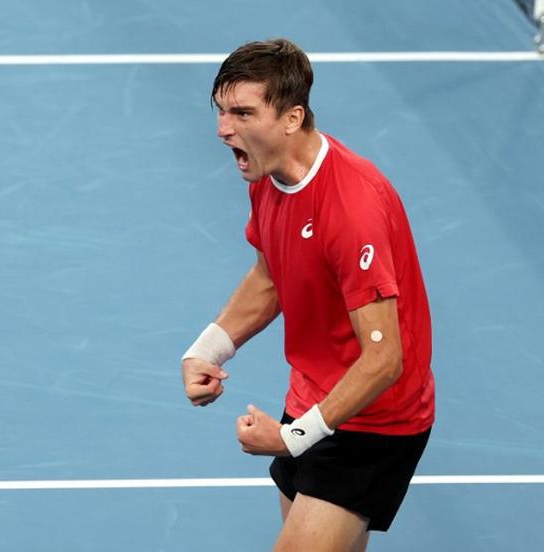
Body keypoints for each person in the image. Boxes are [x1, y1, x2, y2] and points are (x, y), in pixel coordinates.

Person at [181, 38, 434, 552]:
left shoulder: (351, 208)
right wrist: (208, 349)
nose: (223, 129)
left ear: (293, 118)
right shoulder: (267, 173)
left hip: (374, 421)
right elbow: (271, 274)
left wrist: (292, 439)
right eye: (222, 111)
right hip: (314, 397)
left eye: (243, 113)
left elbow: (385, 358)